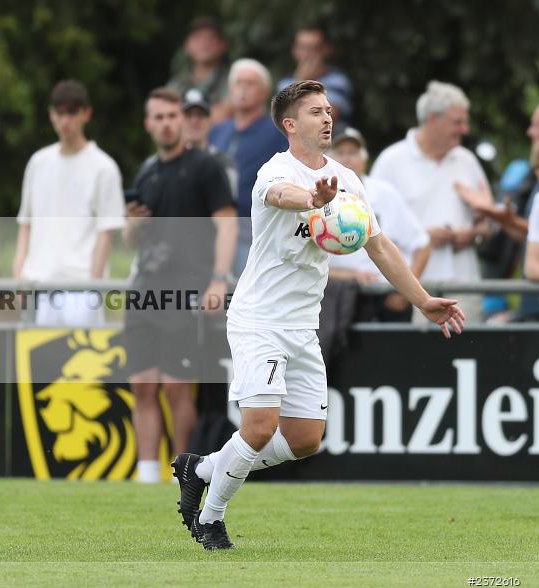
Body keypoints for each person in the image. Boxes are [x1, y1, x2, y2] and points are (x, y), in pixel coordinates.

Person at [172, 80, 465, 550]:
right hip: (259, 319)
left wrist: (422, 299)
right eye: (315, 112)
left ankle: (201, 468)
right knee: (260, 426)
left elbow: (379, 245)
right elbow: (280, 196)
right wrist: (313, 199)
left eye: (328, 111)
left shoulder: (348, 180)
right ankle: (210, 518)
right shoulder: (273, 171)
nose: (327, 118)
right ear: (290, 125)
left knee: (306, 438)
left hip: (303, 325)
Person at [124, 87, 237, 483]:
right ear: (148, 123)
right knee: (142, 385)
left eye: (173, 115)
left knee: (176, 388)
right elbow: (131, 240)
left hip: (187, 289)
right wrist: (133, 225)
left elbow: (226, 223)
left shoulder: (206, 167)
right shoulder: (147, 171)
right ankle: (147, 472)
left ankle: (181, 471)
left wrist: (218, 280)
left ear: (181, 120)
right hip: (144, 290)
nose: (167, 123)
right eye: (159, 117)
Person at [371, 81, 491, 322]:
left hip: (463, 287)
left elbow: (488, 226)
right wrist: (421, 238)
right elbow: (370, 229)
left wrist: (471, 235)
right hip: (411, 289)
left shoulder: (467, 161)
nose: (465, 129)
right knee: (415, 357)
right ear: (433, 119)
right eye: (458, 122)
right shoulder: (391, 161)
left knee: (465, 356)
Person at [12, 80, 125, 326]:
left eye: (72, 113)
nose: (65, 121)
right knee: (36, 364)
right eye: (59, 113)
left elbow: (106, 235)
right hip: (38, 285)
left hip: (80, 290)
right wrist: (18, 278)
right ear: (51, 115)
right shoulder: (38, 163)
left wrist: (93, 289)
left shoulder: (103, 167)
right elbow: (26, 225)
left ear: (86, 114)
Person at [328, 127, 431, 322]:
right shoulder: (317, 198)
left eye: (353, 153)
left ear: (364, 159)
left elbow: (422, 244)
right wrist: (348, 276)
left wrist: (406, 293)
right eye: (340, 153)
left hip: (387, 295)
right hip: (338, 298)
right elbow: (305, 261)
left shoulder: (386, 194)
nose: (347, 159)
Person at [455, 105, 539, 320]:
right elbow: (530, 242)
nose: (529, 132)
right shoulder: (531, 182)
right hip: (532, 304)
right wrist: (498, 217)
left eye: (536, 126)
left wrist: (496, 214)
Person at [208, 59, 288, 276]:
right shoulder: (217, 131)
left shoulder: (277, 133)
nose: (242, 88)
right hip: (213, 228)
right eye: (238, 83)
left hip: (253, 231)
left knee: (245, 299)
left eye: (250, 83)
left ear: (264, 93)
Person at [276, 25, 353, 132]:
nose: (307, 54)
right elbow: (285, 121)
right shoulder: (284, 84)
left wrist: (304, 83)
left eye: (314, 48)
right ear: (294, 50)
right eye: (303, 48)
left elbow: (326, 118)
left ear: (326, 49)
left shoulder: (338, 80)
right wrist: (300, 81)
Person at [166, 16, 232, 123]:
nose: (205, 43)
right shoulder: (177, 82)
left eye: (211, 38)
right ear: (187, 45)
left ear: (223, 45)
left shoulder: (234, 79)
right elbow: (166, 116)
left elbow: (225, 113)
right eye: (198, 37)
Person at [182, 88, 238, 199]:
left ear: (210, 120)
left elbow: (228, 210)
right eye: (188, 115)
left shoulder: (223, 163)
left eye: (200, 115)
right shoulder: (166, 162)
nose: (194, 121)